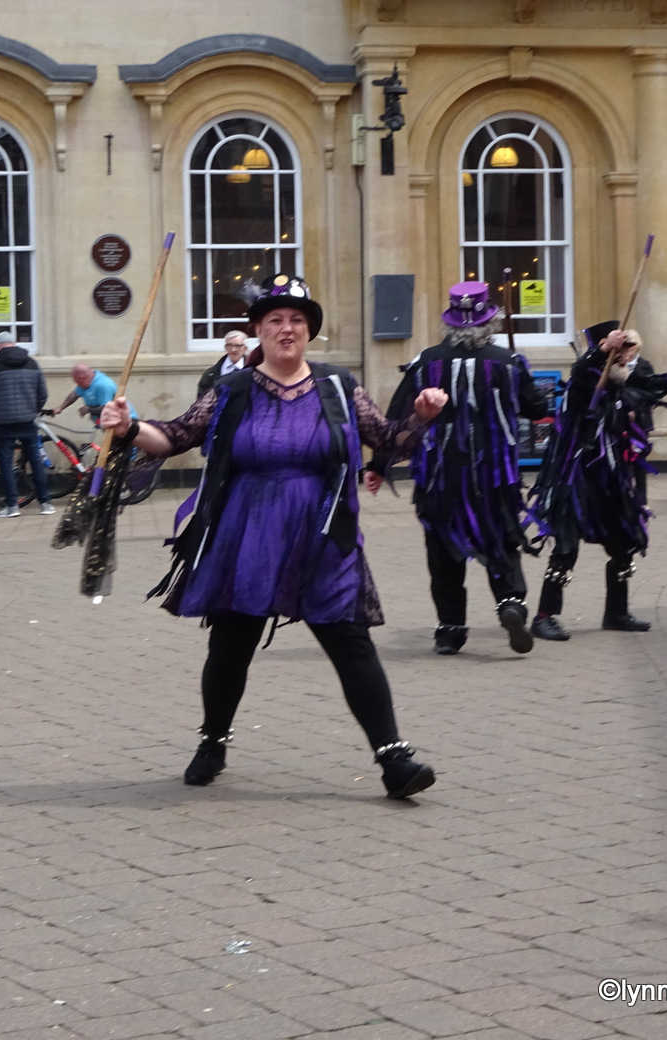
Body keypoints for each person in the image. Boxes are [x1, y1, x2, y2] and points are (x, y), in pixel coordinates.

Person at [100, 275, 446, 798]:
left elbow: (388, 438)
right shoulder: (234, 389)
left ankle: (393, 758)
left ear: (310, 331)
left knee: (351, 642)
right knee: (231, 645)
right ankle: (213, 742)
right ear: (258, 331)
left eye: (297, 320)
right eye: (275, 320)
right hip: (248, 536)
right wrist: (128, 427)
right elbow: (175, 436)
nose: (287, 328)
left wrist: (420, 416)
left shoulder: (337, 386)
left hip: (323, 535)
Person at [368, 281, 552, 656]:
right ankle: (511, 603)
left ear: (449, 322)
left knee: (443, 548)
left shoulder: (425, 362)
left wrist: (378, 465)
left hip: (441, 475)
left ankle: (450, 630)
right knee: (501, 539)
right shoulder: (508, 362)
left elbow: (398, 416)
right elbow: (536, 409)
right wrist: (522, 381)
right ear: (490, 322)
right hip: (494, 475)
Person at [528, 323, 667, 640]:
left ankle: (616, 613)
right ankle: (543, 617)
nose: (625, 359)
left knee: (625, 539)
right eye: (619, 353)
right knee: (566, 547)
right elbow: (582, 370)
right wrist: (603, 350)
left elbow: (656, 383)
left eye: (625, 353)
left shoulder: (620, 383)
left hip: (608, 480)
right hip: (574, 479)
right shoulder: (582, 386)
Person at [0, 331, 53, 518]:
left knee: (6, 463)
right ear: (14, 343)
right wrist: (33, 409)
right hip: (28, 421)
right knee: (35, 460)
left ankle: (12, 506)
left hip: (4, 422)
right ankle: (46, 504)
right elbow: (43, 393)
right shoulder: (32, 363)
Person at [53, 363, 136, 426]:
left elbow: (107, 408)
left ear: (82, 377)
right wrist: (60, 408)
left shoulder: (103, 385)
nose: (75, 382)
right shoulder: (85, 383)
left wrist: (89, 409)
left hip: (126, 424)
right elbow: (74, 395)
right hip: (110, 423)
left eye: (75, 380)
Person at [196, 330, 249, 398]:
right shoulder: (210, 375)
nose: (233, 350)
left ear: (245, 348)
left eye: (237, 346)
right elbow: (202, 401)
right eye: (230, 346)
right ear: (225, 348)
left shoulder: (254, 372)